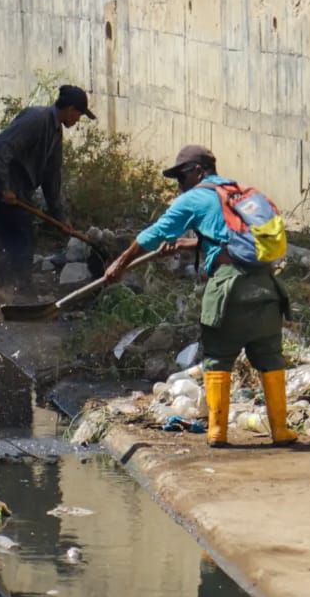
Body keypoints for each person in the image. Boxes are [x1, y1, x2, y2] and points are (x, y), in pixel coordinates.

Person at [104, 144, 295, 447]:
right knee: (270, 356)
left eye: (181, 177)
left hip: (229, 291)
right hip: (268, 290)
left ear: (197, 171)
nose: (179, 185)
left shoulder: (194, 198)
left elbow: (154, 233)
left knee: (218, 356)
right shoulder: (239, 193)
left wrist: (120, 263)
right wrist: (188, 245)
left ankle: (217, 432)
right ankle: (281, 431)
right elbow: (233, 242)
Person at [0, 83, 95, 292]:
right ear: (70, 110)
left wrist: (62, 219)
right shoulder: (37, 119)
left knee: (17, 240)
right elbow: (1, 147)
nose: (77, 121)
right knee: (18, 241)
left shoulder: (55, 132)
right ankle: (17, 293)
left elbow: (52, 179)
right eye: (78, 116)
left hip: (18, 191)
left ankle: (6, 293)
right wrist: (5, 187)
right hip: (1, 187)